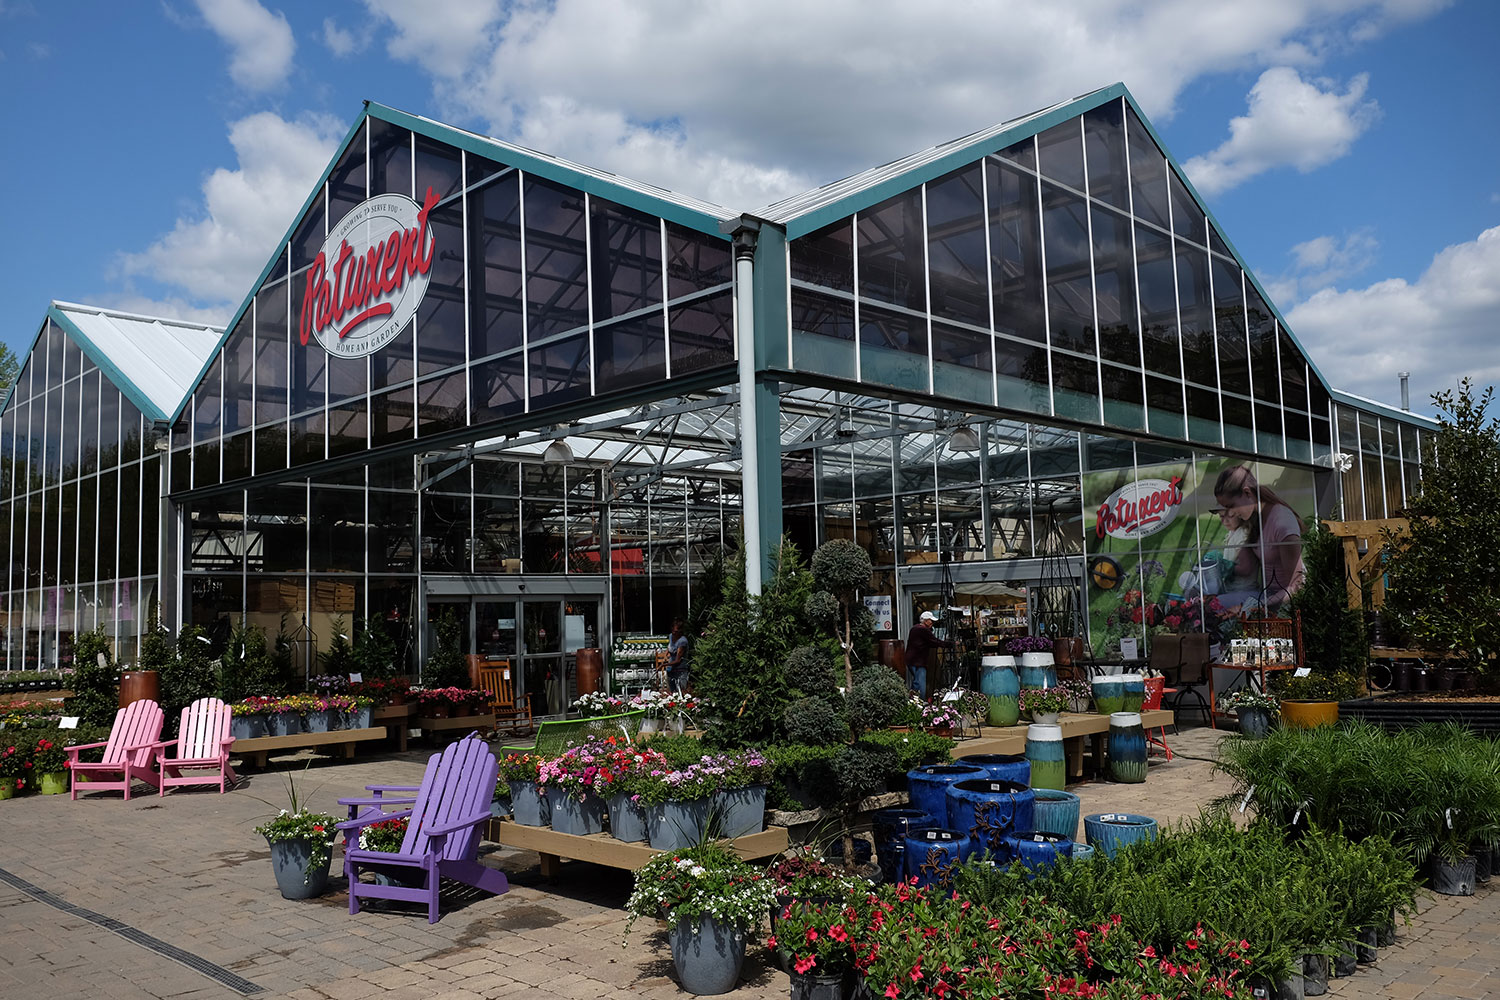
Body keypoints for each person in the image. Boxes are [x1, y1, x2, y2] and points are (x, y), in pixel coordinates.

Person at [1210, 464, 1306, 613]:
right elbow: (1245, 562)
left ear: (1247, 493)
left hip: (1285, 602)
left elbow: (1297, 586)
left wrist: (1255, 607)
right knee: (1212, 605)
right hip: (1265, 595)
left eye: (1231, 506)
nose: (1232, 514)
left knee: (1218, 608)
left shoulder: (1282, 522)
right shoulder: (1255, 519)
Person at [903, 610, 953, 696]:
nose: (932, 623)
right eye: (931, 621)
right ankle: (920, 702)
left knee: (916, 682)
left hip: (912, 660)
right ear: (926, 621)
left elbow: (928, 642)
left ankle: (912, 700)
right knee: (920, 683)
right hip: (918, 661)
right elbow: (934, 641)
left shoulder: (914, 628)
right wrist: (949, 644)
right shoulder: (923, 630)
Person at [665, 619, 690, 693]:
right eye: (672, 630)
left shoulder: (682, 641)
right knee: (672, 692)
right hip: (671, 670)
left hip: (680, 670)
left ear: (680, 631)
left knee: (681, 692)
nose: (673, 633)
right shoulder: (671, 636)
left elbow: (678, 660)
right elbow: (669, 647)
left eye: (675, 632)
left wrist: (664, 665)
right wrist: (666, 656)